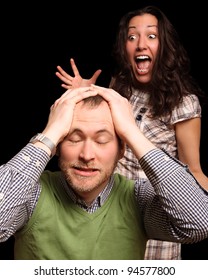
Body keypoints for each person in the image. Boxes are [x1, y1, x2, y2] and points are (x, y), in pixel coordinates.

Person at [55, 5, 208, 260]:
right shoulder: (119, 86)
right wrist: (89, 91)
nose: (140, 44)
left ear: (165, 45)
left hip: (152, 217)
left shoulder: (184, 102)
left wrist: (201, 208)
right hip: (111, 213)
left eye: (151, 36)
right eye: (132, 36)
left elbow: (193, 170)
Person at [0, 85, 208, 260]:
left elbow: (199, 223)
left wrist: (131, 132)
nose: (87, 155)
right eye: (73, 138)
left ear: (121, 150)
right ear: (58, 145)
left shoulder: (137, 200)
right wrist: (49, 133)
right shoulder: (32, 194)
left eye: (101, 140)